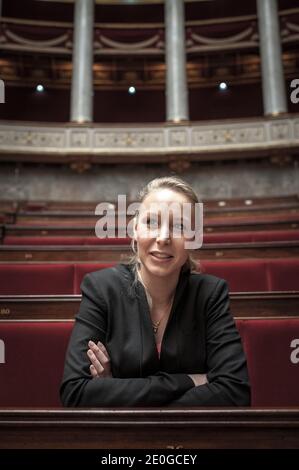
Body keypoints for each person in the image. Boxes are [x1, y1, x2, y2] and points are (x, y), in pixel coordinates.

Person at [60, 176, 250, 407]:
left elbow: (235, 393)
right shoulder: (101, 288)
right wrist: (189, 381)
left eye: (179, 226)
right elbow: (76, 393)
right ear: (135, 230)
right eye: (151, 222)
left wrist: (116, 390)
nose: (163, 238)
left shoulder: (211, 294)